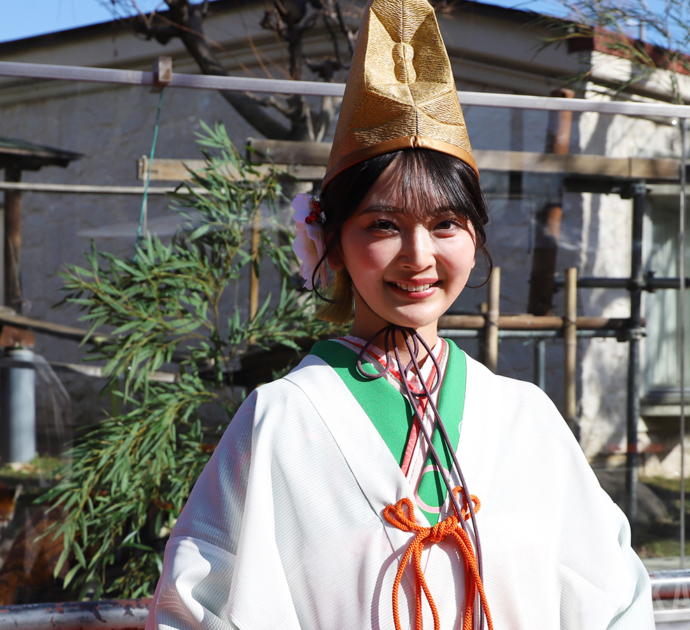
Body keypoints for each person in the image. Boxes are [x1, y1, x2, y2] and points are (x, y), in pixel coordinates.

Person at [145, 0, 655, 627]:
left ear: (476, 240)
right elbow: (196, 606)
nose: (419, 257)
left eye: (446, 224)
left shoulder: (526, 419)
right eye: (383, 225)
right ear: (330, 241)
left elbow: (612, 598)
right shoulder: (282, 421)